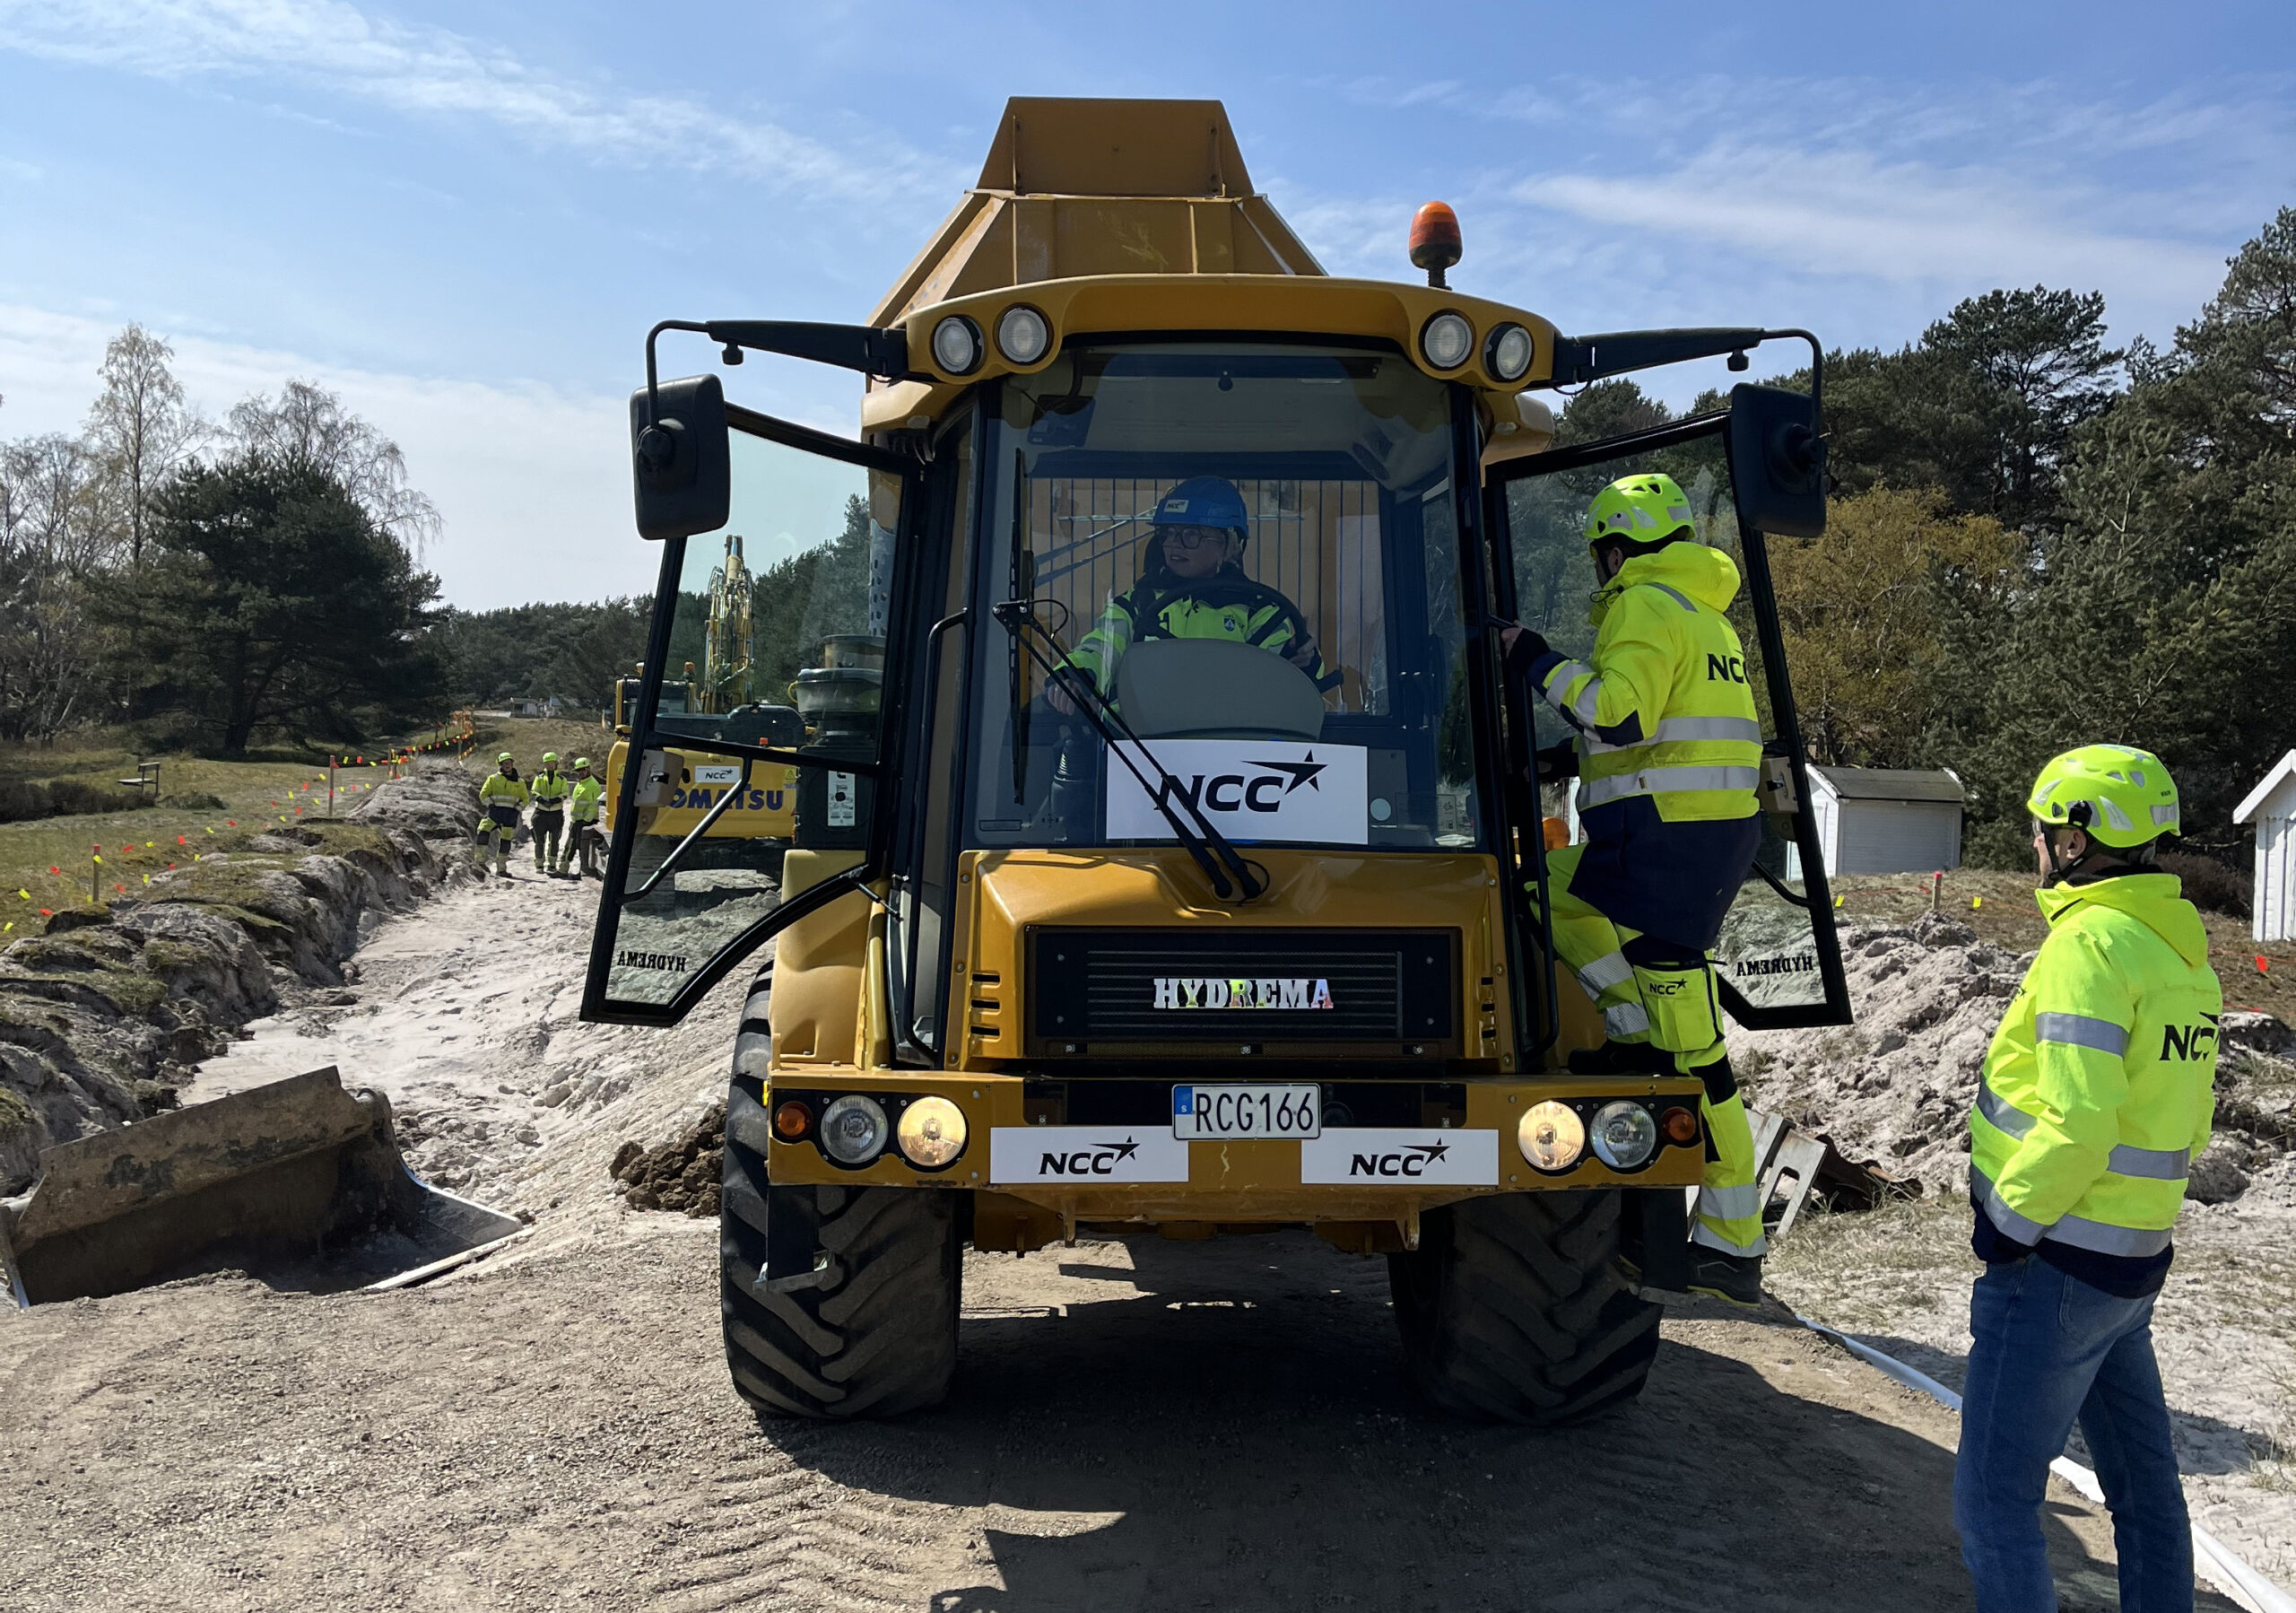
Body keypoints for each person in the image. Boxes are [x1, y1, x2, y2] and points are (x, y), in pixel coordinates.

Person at [1953, 745, 2217, 1613]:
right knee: (2145, 1495)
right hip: (2130, 1262)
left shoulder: (2088, 945)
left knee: (1994, 1502)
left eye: (2042, 827)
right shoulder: (2180, 953)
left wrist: (2007, 1224)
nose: (2034, 842)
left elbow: (2077, 1119)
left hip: (2053, 1262)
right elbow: (2189, 1117)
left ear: (2075, 841)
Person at [1499, 471, 1769, 1306]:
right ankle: (1628, 1020)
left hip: (1662, 845)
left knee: (1696, 1057)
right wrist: (1559, 762)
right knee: (1541, 889)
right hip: (1688, 840)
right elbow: (1664, 737)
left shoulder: (1642, 605)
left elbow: (1619, 714)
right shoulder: (1702, 614)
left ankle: (1730, 1242)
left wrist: (1532, 657)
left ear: (1614, 548)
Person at [1047, 475, 1339, 716]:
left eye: (1191, 535)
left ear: (1231, 545)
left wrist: (1300, 659)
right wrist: (1075, 676)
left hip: (1229, 752)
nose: (1175, 545)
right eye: (1169, 534)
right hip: (1135, 750)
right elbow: (1103, 645)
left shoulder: (1261, 613)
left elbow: (1285, 681)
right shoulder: (1138, 602)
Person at [475, 752, 526, 877]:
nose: (507, 765)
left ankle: (501, 869)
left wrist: (517, 810)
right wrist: (491, 805)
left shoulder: (520, 782)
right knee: (482, 831)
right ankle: (480, 863)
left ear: (512, 763)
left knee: (505, 842)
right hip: (495, 813)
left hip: (510, 815)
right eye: (505, 763)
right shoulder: (493, 779)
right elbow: (483, 794)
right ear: (500, 765)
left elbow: (525, 799)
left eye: (509, 762)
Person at [527, 751, 570, 875]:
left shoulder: (562, 779)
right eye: (547, 763)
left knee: (554, 841)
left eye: (552, 763)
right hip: (541, 813)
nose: (550, 766)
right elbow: (535, 791)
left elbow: (565, 793)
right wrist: (542, 800)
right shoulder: (539, 778)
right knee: (539, 841)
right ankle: (539, 865)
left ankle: (552, 864)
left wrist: (556, 800)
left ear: (556, 763)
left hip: (556, 814)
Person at [567, 756, 604, 877]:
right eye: (578, 770)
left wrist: (586, 821)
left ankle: (585, 872)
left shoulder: (592, 785)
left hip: (586, 822)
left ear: (588, 769)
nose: (580, 772)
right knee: (578, 847)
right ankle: (582, 870)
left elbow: (594, 805)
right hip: (578, 821)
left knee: (584, 848)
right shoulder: (581, 784)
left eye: (583, 769)